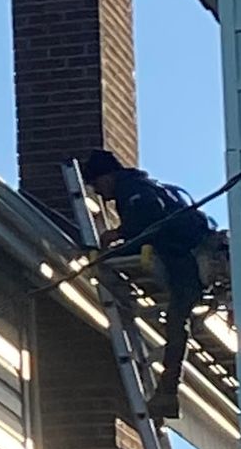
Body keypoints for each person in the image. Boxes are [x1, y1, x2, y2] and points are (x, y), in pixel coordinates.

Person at [80, 147, 225, 422]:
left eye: (97, 184)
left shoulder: (131, 189)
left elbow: (147, 224)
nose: (99, 193)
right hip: (191, 254)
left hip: (185, 259)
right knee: (177, 320)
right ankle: (166, 394)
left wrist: (112, 246)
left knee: (176, 321)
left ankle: (167, 394)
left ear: (107, 175)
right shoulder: (146, 185)